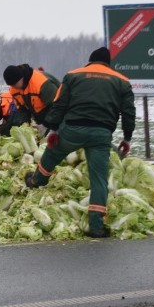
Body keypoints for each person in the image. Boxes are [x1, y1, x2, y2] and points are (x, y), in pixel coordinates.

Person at [24, 47, 135, 238]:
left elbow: (60, 103)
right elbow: (128, 113)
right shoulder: (122, 81)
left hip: (73, 129)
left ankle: (36, 180)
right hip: (101, 134)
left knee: (52, 153)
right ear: (108, 63)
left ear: (90, 61)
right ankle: (96, 226)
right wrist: (126, 138)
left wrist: (54, 129)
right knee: (99, 179)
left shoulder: (73, 75)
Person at [1, 63, 61, 130]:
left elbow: (57, 106)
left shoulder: (41, 83)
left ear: (21, 78)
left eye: (15, 84)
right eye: (11, 85)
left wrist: (46, 125)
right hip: (41, 121)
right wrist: (25, 124)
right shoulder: (14, 89)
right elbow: (22, 109)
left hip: (58, 120)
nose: (14, 87)